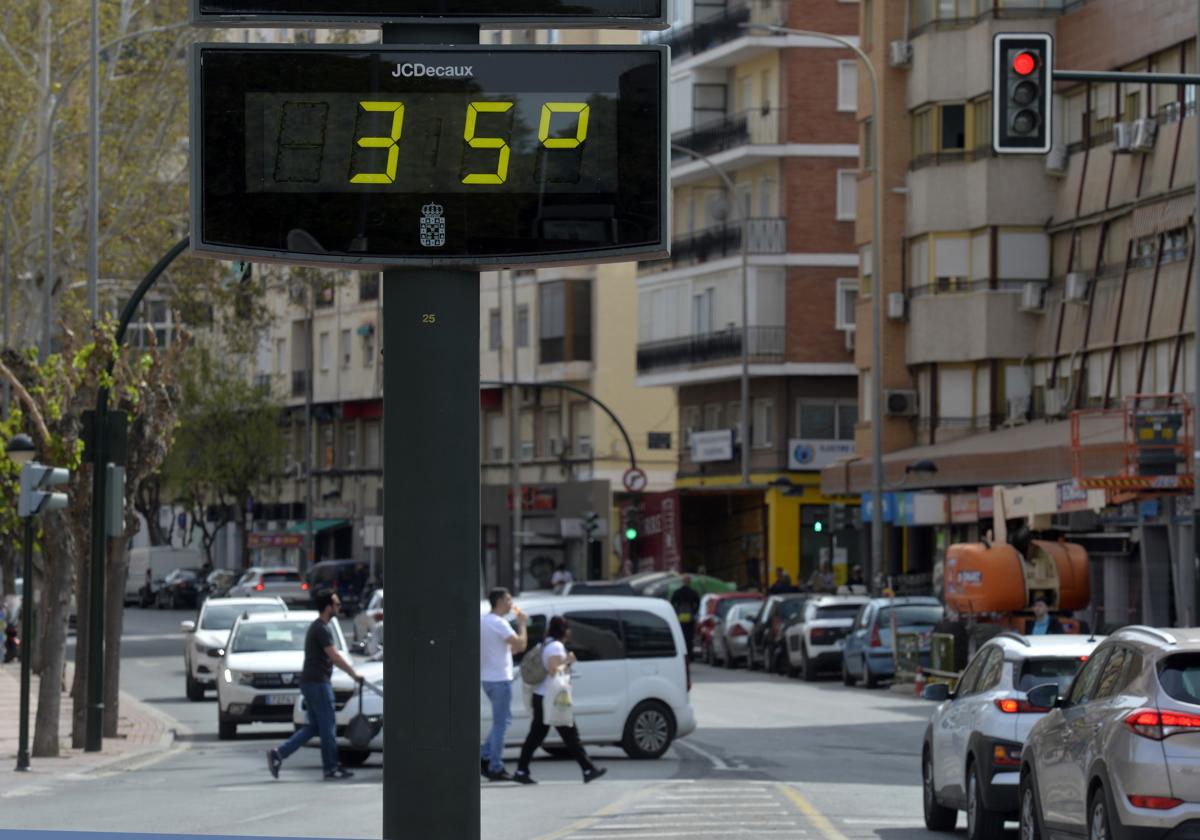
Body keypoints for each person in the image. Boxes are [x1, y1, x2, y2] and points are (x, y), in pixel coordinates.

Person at [267, 589, 364, 781]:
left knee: (313, 728)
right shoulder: (321, 628)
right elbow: (334, 656)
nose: (339, 607)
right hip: (319, 684)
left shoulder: (319, 627)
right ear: (328, 607)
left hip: (312, 682)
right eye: (336, 604)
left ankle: (278, 754)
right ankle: (331, 768)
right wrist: (354, 674)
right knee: (328, 727)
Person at [512, 616, 606, 785]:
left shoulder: (546, 643)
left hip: (543, 696)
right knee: (568, 734)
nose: (570, 632)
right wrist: (568, 661)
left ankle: (522, 770)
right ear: (563, 630)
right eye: (568, 628)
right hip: (551, 698)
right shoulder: (555, 646)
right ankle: (588, 769)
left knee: (541, 736)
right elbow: (554, 671)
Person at [479, 587, 528, 781]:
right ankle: (494, 764)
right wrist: (522, 624)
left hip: (488, 678)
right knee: (502, 723)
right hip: (500, 679)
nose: (512, 604)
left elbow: (503, 647)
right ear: (499, 601)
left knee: (502, 720)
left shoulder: (484, 621)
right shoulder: (500, 623)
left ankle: (486, 755)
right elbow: (521, 645)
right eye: (508, 600)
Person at [669, 575, 701, 661]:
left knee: (681, 637)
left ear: (682, 582)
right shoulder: (693, 592)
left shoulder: (677, 592)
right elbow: (697, 603)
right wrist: (694, 611)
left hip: (680, 618)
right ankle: (690, 656)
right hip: (690, 618)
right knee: (689, 637)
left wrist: (677, 611)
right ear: (689, 582)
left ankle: (682, 654)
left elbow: (672, 603)